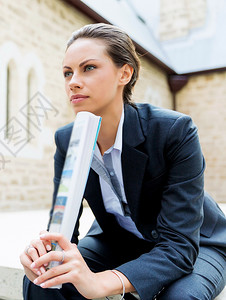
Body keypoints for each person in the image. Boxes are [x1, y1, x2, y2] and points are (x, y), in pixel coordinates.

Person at [20, 23, 226, 300]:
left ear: (124, 73)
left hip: (196, 243)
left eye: (88, 68)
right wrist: (45, 254)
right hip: (118, 239)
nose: (73, 82)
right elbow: (62, 230)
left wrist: (105, 282)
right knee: (42, 280)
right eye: (68, 72)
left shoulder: (174, 131)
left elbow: (179, 245)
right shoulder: (67, 139)